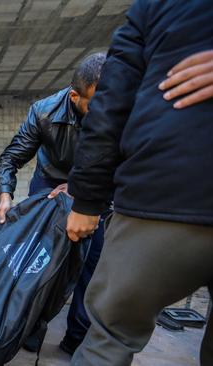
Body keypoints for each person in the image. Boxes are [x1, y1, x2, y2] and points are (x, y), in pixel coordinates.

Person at [65, 2, 213, 365]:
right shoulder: (45, 113)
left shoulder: (155, 8)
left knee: (109, 336)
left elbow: (109, 112)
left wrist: (85, 201)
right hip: (160, 191)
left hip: (162, 194)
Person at [0, 52, 107, 354]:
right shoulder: (43, 112)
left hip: (97, 188)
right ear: (74, 96)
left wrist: (81, 188)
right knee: (38, 260)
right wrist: (5, 197)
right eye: (96, 103)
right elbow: (9, 160)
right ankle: (30, 325)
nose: (106, 110)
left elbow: (129, 165)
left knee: (90, 261)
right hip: (49, 184)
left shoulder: (117, 110)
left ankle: (76, 337)